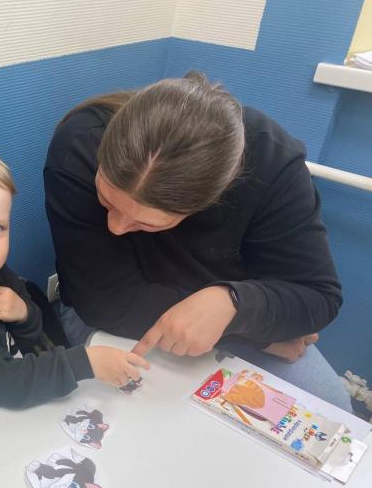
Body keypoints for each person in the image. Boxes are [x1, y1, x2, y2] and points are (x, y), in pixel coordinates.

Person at [43, 72, 352, 411]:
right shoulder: (80, 145)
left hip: (228, 312)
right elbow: (104, 301)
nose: (114, 227)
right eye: (106, 200)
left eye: (146, 223)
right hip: (119, 315)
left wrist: (231, 304)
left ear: (208, 202)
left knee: (331, 405)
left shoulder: (273, 162)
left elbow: (318, 297)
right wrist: (256, 336)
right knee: (155, 417)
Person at [0, 145, 150, 439]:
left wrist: (24, 314)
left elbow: (34, 336)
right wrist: (86, 362)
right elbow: (3, 382)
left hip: (5, 407)